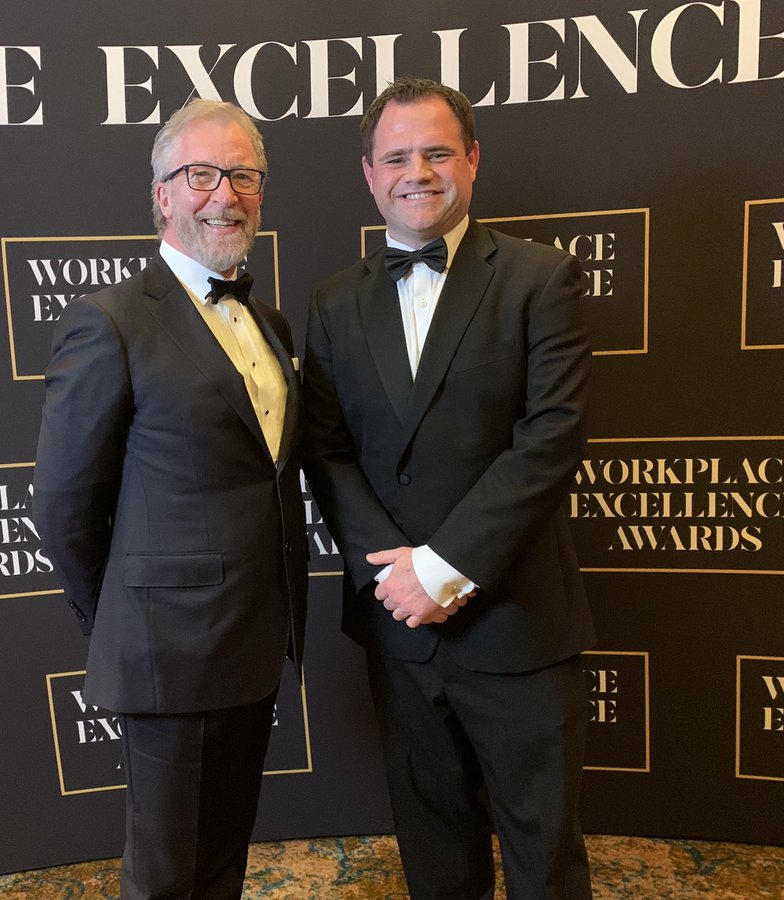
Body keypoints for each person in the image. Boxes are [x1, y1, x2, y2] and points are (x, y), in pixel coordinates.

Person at [303, 77, 595, 899]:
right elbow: (325, 453)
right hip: (397, 633)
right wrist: (397, 585)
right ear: (368, 173)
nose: (417, 171)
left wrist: (443, 569)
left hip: (518, 628)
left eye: (437, 152)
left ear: (471, 159)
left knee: (545, 855)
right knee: (433, 852)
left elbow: (552, 439)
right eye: (396, 156)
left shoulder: (542, 279)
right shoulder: (332, 303)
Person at [33, 99, 306, 900]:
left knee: (224, 855)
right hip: (166, 655)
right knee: (163, 874)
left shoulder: (270, 324)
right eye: (200, 175)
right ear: (162, 194)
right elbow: (61, 504)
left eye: (243, 175)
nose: (224, 194)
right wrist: (125, 614)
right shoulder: (109, 322)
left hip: (255, 641)